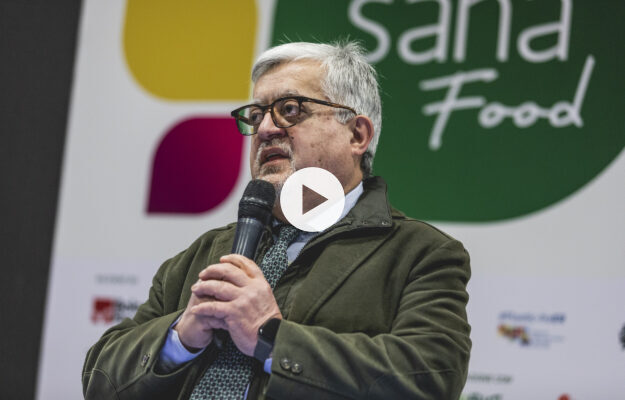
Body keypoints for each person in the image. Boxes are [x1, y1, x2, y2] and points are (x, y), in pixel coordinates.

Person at [82, 41, 471, 400]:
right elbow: (102, 381)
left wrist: (270, 336)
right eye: (256, 115)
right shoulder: (202, 255)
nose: (265, 129)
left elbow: (429, 379)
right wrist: (180, 338)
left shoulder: (420, 254)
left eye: (290, 110)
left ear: (357, 134)